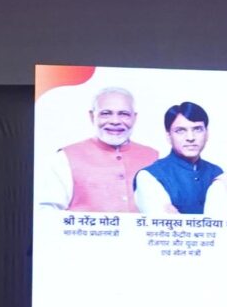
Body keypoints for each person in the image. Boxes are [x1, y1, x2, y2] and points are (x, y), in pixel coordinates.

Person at [38, 85, 159, 215]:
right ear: (92, 116)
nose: (115, 121)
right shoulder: (65, 158)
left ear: (134, 118)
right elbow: (47, 213)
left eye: (124, 114)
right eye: (106, 114)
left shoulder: (154, 157)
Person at [133, 101, 222, 215]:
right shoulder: (149, 176)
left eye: (197, 129)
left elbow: (225, 222)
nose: (190, 138)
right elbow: (165, 224)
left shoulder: (217, 173)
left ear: (207, 133)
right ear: (168, 136)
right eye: (180, 131)